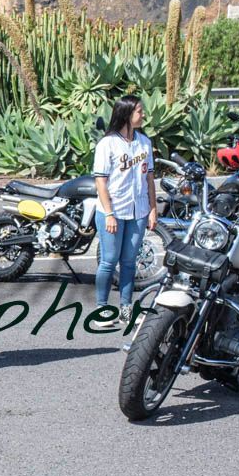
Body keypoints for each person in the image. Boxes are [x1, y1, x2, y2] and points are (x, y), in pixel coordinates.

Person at [92, 95, 157, 321]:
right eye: (140, 111)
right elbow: (100, 181)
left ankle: (126, 309)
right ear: (127, 114)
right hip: (113, 211)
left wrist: (152, 208)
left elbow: (149, 177)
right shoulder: (107, 144)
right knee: (109, 261)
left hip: (138, 211)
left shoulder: (144, 143)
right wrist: (109, 213)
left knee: (129, 262)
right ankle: (101, 308)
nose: (144, 115)